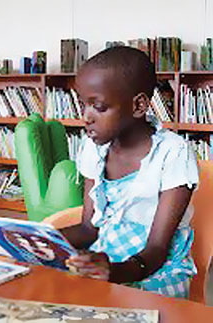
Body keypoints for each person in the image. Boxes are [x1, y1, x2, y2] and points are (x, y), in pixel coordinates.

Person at [59, 46, 198, 298]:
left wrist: (113, 272)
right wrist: (32, 239)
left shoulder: (173, 153)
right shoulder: (94, 148)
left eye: (98, 106)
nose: (86, 117)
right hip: (106, 256)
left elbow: (156, 250)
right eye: (83, 105)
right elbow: (89, 229)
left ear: (139, 105)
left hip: (154, 268)